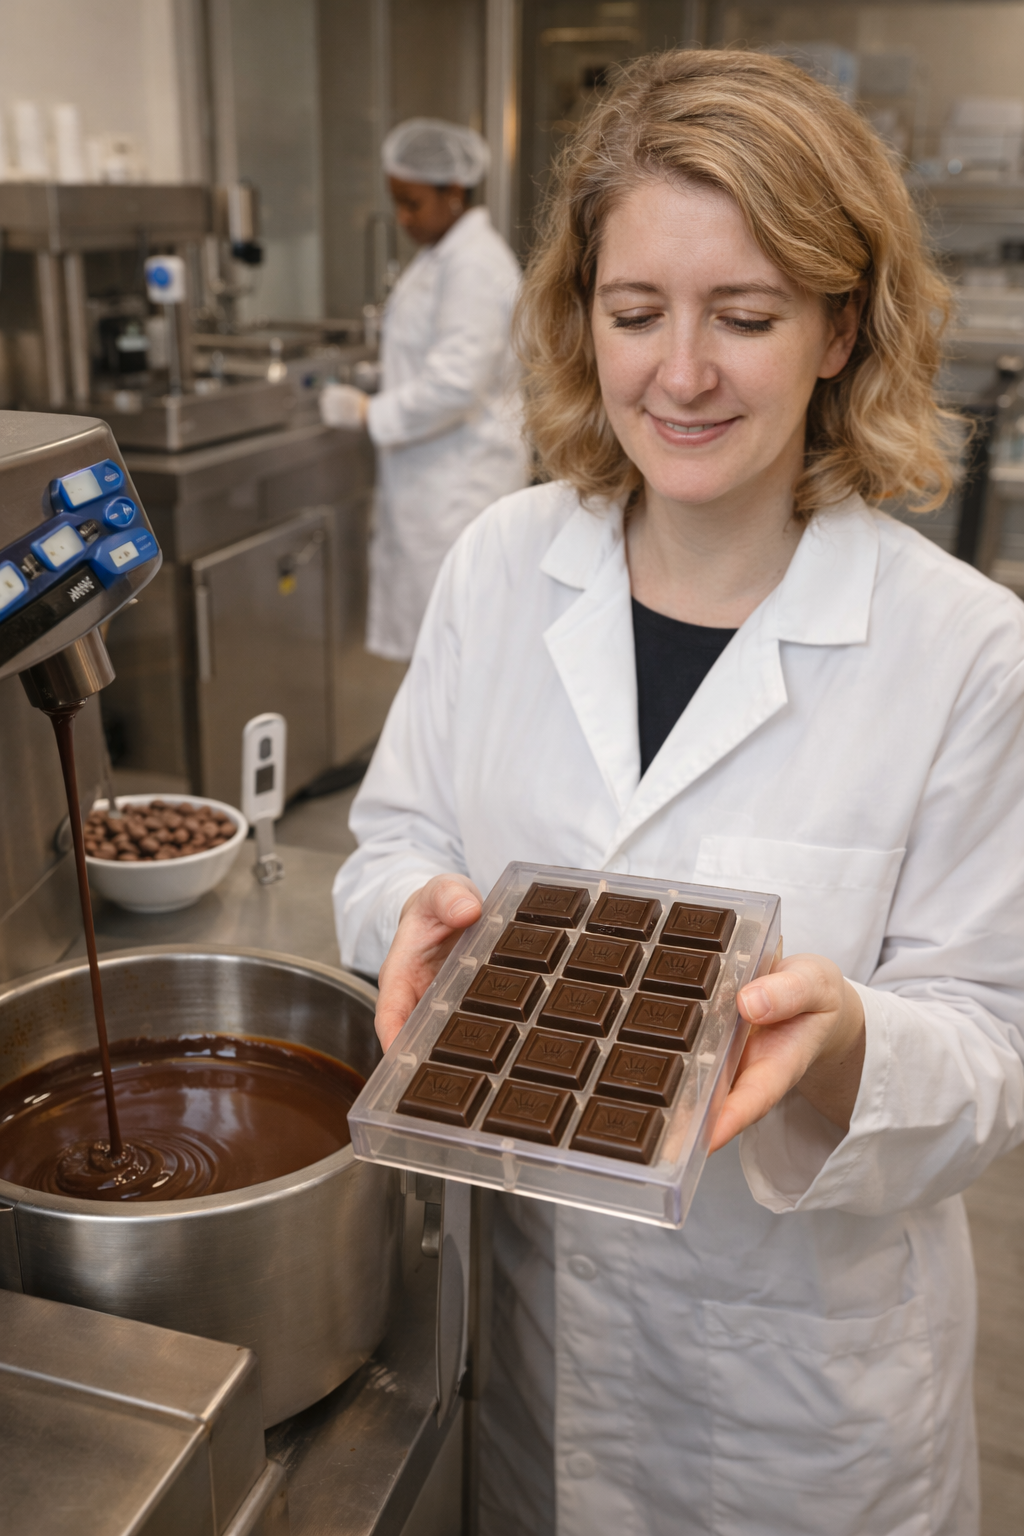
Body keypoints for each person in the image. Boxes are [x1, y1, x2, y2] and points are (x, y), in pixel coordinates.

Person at [333, 51, 1024, 1536]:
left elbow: (995, 1051)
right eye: (635, 312)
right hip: (524, 1346)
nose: (682, 372)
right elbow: (396, 837)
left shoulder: (963, 651)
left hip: (802, 1410)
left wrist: (848, 1046)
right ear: (582, 318)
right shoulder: (503, 567)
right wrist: (412, 914)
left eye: (748, 317)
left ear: (843, 328)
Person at [321, 117, 528, 661]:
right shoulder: (441, 256)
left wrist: (370, 412)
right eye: (398, 203)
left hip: (459, 484)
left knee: (461, 646)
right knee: (439, 651)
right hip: (432, 478)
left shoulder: (475, 264)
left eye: (413, 203)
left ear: (453, 191)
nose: (403, 218)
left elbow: (456, 383)